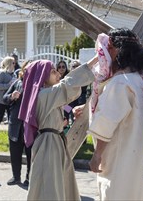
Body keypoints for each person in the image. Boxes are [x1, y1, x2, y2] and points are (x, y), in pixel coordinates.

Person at [19, 51, 98, 200]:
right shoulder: (43, 95)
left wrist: (72, 109)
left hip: (54, 143)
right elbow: (67, 84)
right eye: (53, 72)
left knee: (57, 184)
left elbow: (61, 104)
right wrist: (94, 61)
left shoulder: (45, 95)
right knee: (50, 187)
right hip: (49, 145)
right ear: (42, 78)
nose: (58, 74)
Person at [87, 28, 143, 200]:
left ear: (118, 50)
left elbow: (107, 122)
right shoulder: (140, 80)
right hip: (135, 152)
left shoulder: (120, 83)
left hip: (118, 152)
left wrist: (97, 155)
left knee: (115, 193)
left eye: (109, 48)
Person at [3, 60, 32, 187]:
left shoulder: (39, 85)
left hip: (30, 126)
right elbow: (4, 98)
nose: (28, 72)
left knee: (31, 153)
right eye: (26, 69)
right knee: (15, 152)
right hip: (15, 124)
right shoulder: (16, 83)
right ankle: (16, 177)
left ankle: (29, 178)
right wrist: (11, 97)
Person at [0, 56, 15, 143]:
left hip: (9, 100)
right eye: (13, 63)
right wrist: (7, 85)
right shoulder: (1, 73)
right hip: (0, 100)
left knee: (11, 119)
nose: (14, 64)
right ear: (9, 63)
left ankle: (11, 138)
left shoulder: (13, 74)